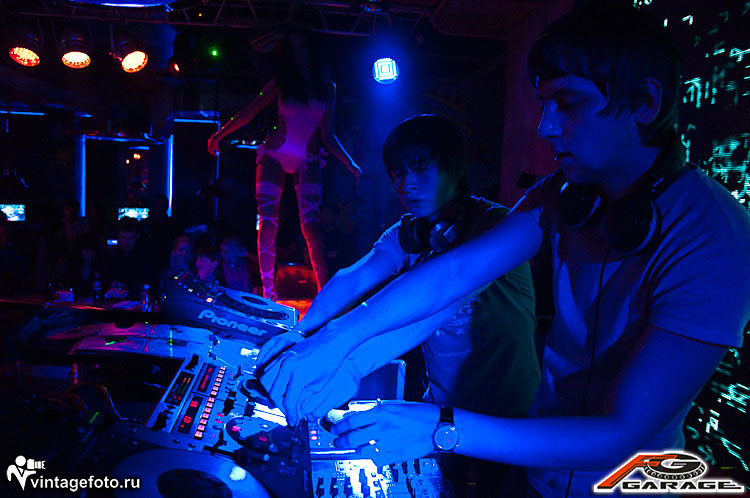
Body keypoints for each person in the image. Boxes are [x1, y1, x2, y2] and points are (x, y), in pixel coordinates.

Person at [257, 4, 750, 498]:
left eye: (568, 102)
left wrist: (440, 427)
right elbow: (453, 278)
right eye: (544, 104)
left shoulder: (713, 236)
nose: (545, 127)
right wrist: (335, 350)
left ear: (645, 101)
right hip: (535, 471)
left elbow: (620, 433)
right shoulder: (562, 197)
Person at [259, 115, 540, 494]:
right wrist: (301, 332)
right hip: (437, 413)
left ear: (454, 166)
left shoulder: (496, 228)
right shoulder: (409, 233)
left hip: (508, 422)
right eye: (397, 173)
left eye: (420, 167)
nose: (406, 184)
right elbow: (354, 277)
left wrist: (340, 350)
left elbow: (444, 291)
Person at [207, 29, 361, 301]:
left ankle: (325, 295)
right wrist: (219, 134)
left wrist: (349, 161)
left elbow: (328, 135)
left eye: (302, 47)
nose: (298, 53)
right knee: (268, 223)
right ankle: (269, 294)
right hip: (274, 154)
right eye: (293, 48)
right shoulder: (281, 83)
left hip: (308, 158)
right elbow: (249, 111)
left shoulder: (327, 87)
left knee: (311, 226)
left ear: (311, 51)